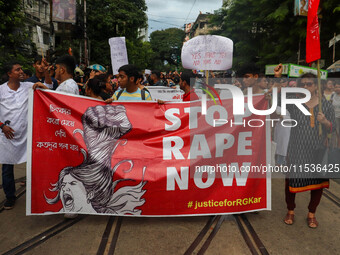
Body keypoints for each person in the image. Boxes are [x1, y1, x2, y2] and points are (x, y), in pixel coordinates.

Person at [284, 73, 335, 228]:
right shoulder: (294, 103)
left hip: (317, 149)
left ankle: (311, 213)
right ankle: (290, 210)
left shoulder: (326, 105)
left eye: (309, 84)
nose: (306, 87)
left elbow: (333, 127)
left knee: (317, 181)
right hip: (296, 147)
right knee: (291, 180)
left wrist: (325, 121)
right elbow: (276, 105)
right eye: (303, 84)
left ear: (316, 86)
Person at [0, 62, 52, 209]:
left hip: (27, 136)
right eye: (17, 70)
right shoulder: (1, 90)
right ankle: (10, 197)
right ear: (10, 74)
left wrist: (42, 84)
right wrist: (2, 126)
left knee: (34, 165)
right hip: (7, 137)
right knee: (7, 169)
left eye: (21, 69)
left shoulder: (29, 86)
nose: (21, 72)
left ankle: (37, 194)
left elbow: (50, 90)